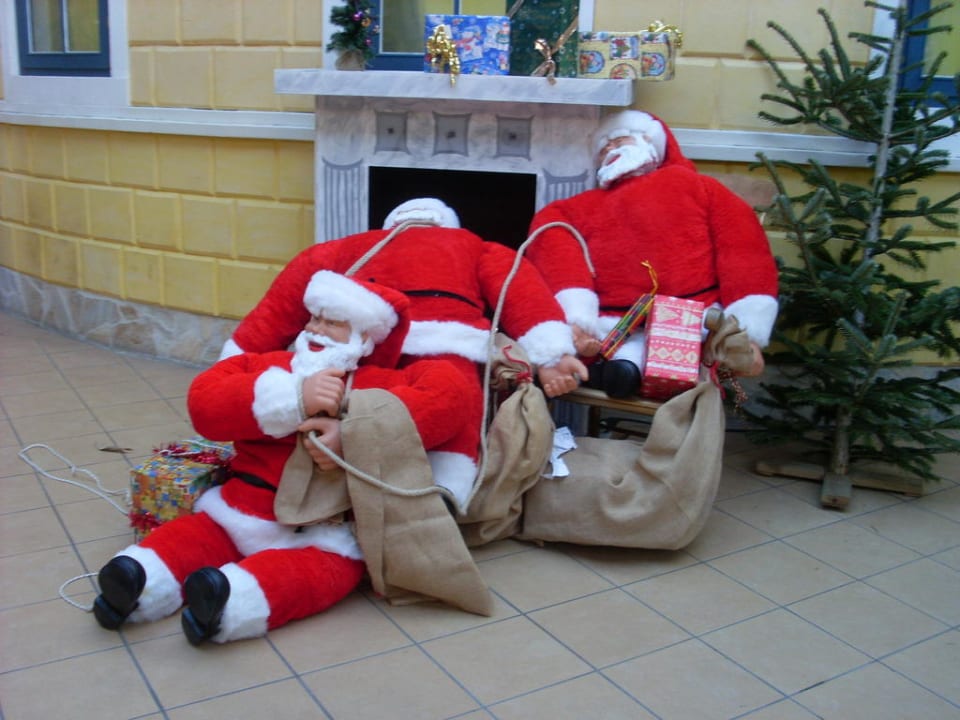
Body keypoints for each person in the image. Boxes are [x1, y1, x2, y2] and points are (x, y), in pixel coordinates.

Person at [93, 271, 478, 645]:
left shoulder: (382, 381)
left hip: (322, 531)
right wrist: (295, 398)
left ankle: (227, 602)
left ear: (363, 339)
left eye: (334, 322)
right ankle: (140, 581)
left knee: (318, 573)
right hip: (241, 510)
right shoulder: (268, 367)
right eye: (315, 317)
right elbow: (205, 402)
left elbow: (450, 396)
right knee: (193, 537)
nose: (317, 329)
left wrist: (353, 429)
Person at [217, 198, 588, 501]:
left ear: (389, 224)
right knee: (453, 404)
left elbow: (280, 305)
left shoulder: (346, 245)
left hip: (368, 347)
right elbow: (523, 292)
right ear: (449, 226)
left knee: (358, 397)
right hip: (448, 342)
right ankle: (445, 483)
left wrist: (235, 361)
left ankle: (343, 458)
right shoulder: (475, 245)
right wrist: (552, 356)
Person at [523, 110, 779, 398]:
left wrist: (747, 333)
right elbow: (557, 256)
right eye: (603, 148)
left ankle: (630, 371)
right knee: (629, 358)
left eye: (619, 140)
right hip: (620, 324)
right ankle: (622, 372)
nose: (611, 150)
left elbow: (743, 254)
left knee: (684, 350)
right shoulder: (571, 210)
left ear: (650, 142)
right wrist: (577, 318)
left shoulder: (701, 189)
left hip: (692, 319)